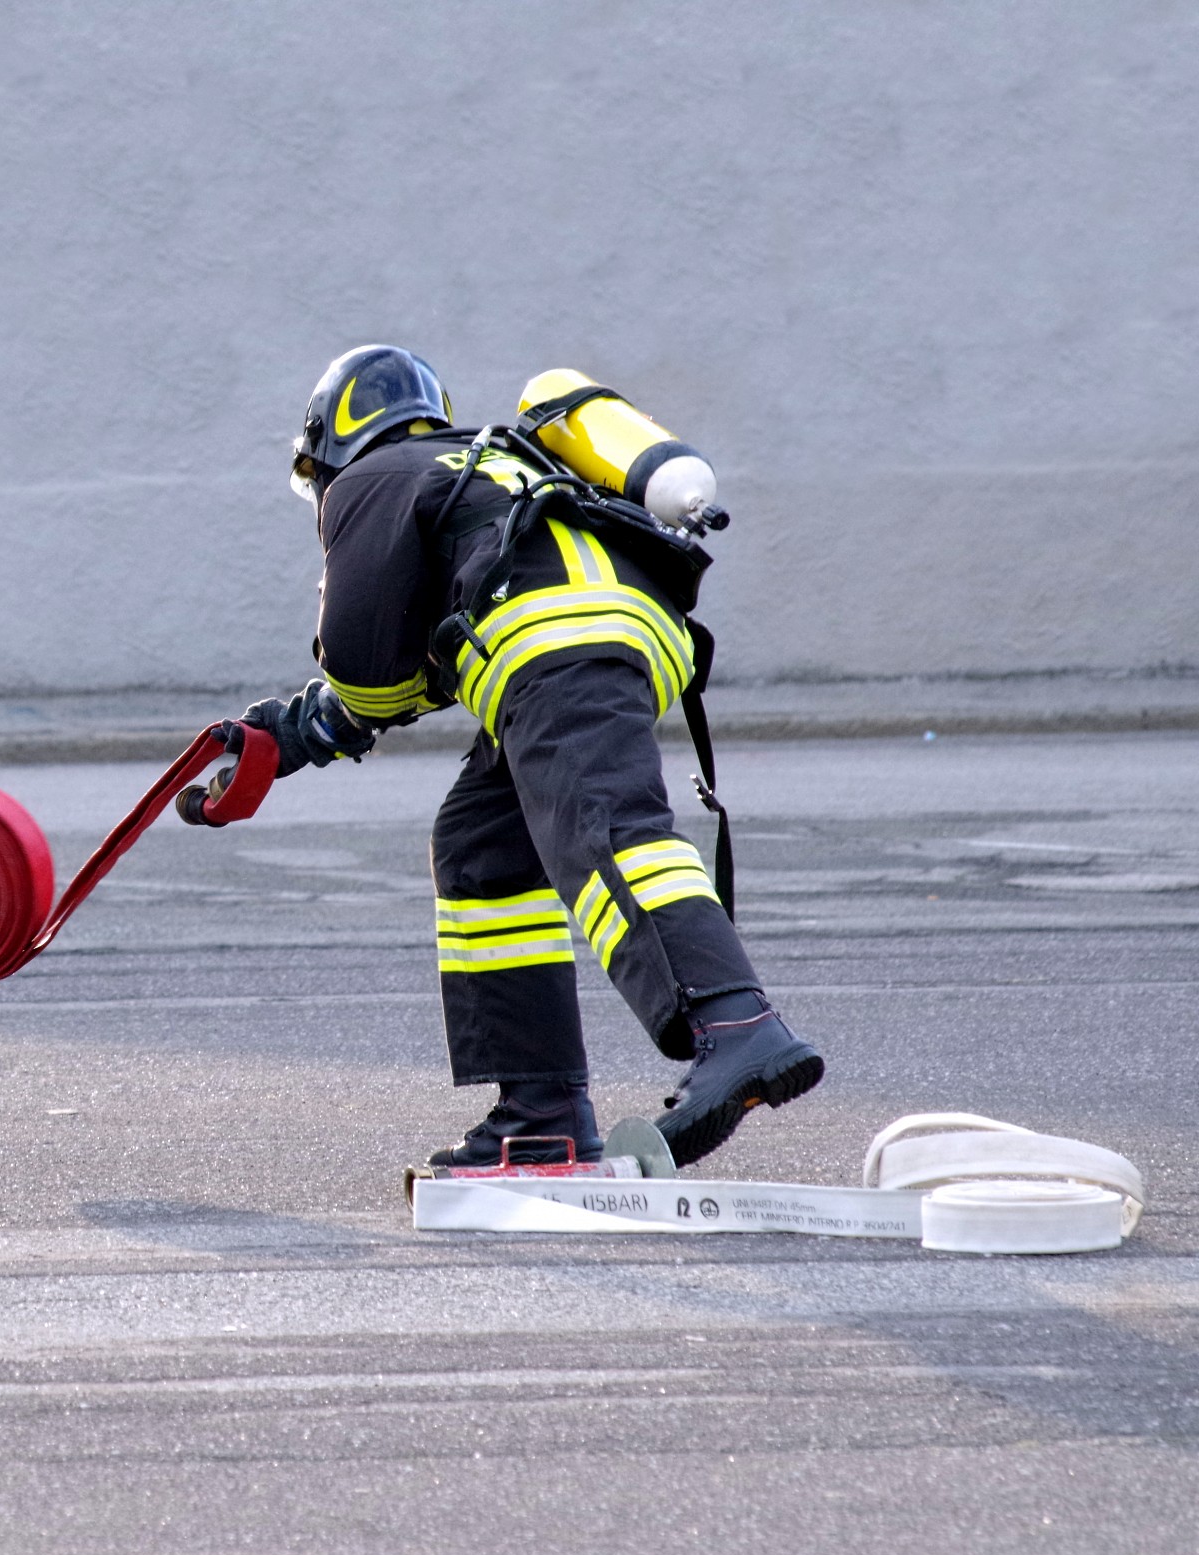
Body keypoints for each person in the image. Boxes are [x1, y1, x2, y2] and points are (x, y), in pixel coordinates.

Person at [238, 345, 822, 1168]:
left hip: (555, 648)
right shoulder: (498, 456)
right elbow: (429, 651)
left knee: (607, 829)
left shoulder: (372, 477)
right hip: (628, 634)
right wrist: (301, 731)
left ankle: (737, 1024)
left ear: (333, 443)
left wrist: (320, 724)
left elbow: (369, 669)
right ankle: (541, 1110)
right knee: (482, 846)